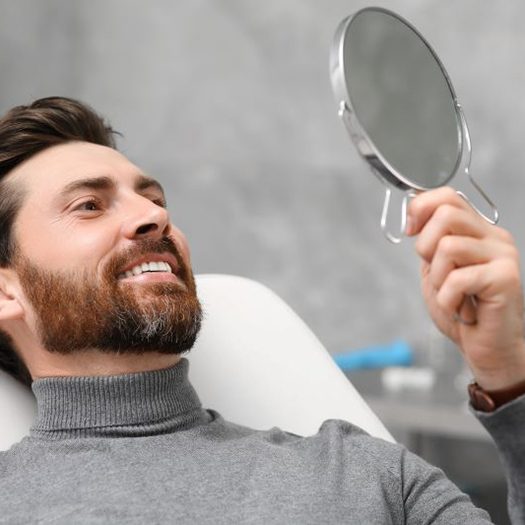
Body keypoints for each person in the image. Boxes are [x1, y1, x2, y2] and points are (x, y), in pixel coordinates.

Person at [0, 97, 523, 524]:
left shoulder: (361, 473)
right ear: (6, 293)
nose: (152, 216)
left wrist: (508, 374)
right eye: (88, 205)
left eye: (155, 198)